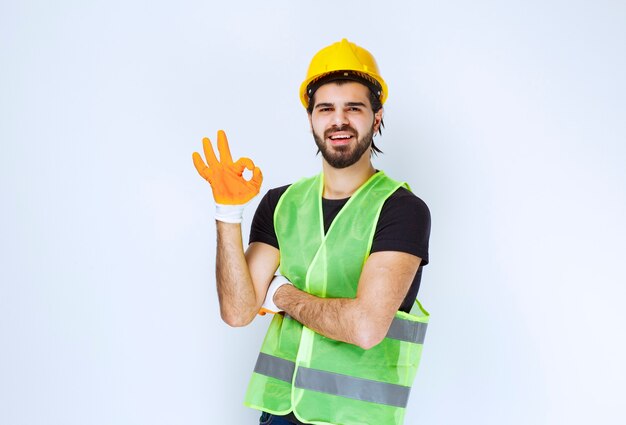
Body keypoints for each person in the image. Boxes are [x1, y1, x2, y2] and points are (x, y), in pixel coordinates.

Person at [192, 38, 431, 425]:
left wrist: (280, 294)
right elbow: (238, 311)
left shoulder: (402, 210)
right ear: (311, 119)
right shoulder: (280, 203)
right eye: (326, 109)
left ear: (377, 117)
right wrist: (227, 213)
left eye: (353, 108)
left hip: (358, 417)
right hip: (280, 413)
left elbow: (366, 327)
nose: (339, 121)